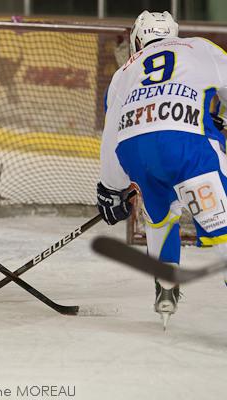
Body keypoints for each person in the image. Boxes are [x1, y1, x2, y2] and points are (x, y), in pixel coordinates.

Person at [96, 10, 227, 327]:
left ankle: (165, 283)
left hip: (135, 152)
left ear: (138, 40)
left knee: (161, 213)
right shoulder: (200, 46)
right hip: (186, 147)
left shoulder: (123, 72)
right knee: (223, 227)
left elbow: (112, 132)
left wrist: (111, 188)